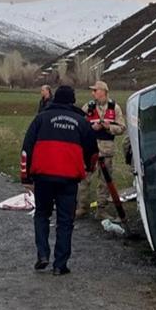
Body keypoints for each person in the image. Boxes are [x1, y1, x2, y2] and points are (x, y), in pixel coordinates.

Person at [21, 85, 97, 275]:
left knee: (42, 215)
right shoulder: (81, 121)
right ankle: (60, 264)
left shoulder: (41, 118)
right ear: (72, 100)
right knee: (65, 221)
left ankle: (43, 254)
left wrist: (26, 176)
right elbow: (93, 152)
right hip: (69, 178)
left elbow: (26, 148)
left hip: (43, 176)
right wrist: (89, 168)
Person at [79, 80, 126, 219]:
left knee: (105, 181)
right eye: (92, 90)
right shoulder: (88, 107)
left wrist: (107, 127)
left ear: (103, 91)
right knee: (84, 178)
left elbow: (122, 128)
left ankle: (101, 210)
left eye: (95, 90)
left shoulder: (115, 108)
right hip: (89, 147)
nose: (93, 93)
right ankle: (81, 207)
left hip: (106, 149)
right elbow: (80, 126)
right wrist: (91, 128)